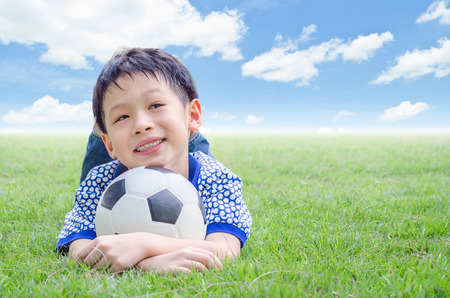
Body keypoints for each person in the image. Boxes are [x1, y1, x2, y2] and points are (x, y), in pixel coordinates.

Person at [56, 47, 252, 275]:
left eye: (155, 105)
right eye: (122, 116)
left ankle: (170, 120)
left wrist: (143, 244)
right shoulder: (99, 182)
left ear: (194, 114)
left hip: (182, 144)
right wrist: (146, 266)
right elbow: (78, 250)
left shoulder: (218, 179)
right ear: (109, 145)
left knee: (184, 141)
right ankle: (109, 129)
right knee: (125, 142)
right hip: (118, 157)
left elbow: (224, 251)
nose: (141, 124)